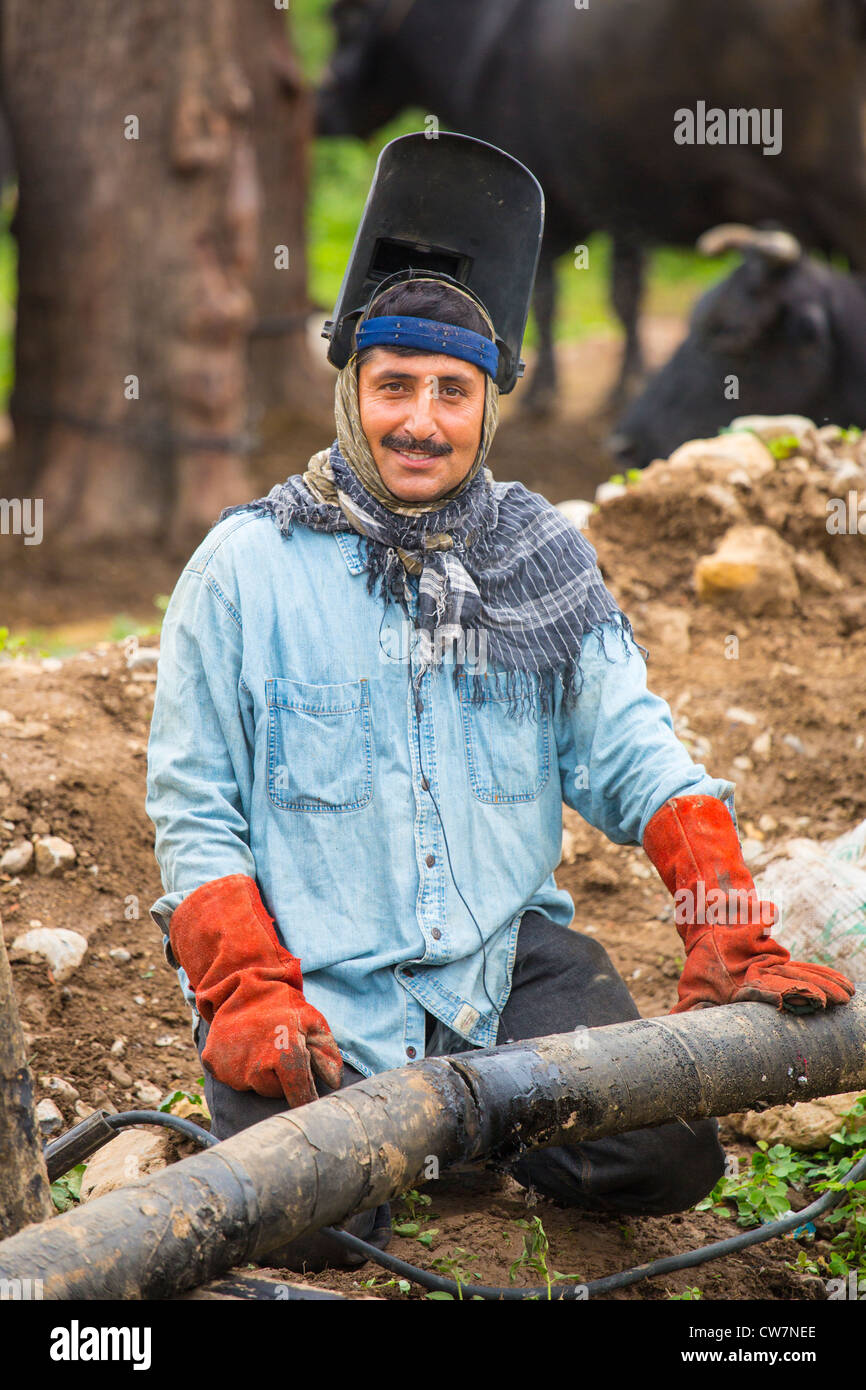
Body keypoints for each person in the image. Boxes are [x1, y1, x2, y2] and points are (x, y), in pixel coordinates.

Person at [145, 136, 854, 1274]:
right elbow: (194, 807)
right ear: (350, 390)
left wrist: (723, 916)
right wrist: (247, 983)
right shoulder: (243, 568)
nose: (419, 421)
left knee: (666, 1159)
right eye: (393, 386)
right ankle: (440, 1118)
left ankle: (460, 1120)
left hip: (496, 959)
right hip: (319, 977)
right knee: (319, 1227)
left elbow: (633, 750)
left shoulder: (541, 555)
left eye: (449, 391)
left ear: (487, 406)